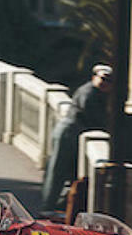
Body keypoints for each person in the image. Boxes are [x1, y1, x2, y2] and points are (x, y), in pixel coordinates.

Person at [41, 64, 114, 212]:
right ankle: (47, 206)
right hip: (69, 132)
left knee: (68, 171)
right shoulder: (89, 93)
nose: (105, 83)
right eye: (102, 79)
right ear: (94, 77)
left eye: (109, 81)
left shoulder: (98, 93)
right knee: (57, 171)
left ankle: (58, 204)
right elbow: (94, 118)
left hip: (75, 133)